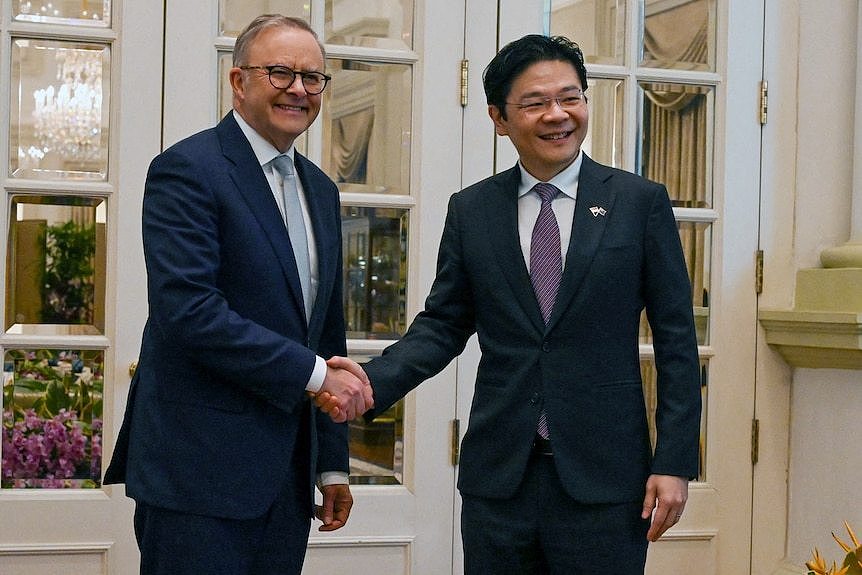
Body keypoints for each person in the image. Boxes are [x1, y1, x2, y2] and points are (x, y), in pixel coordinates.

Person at [325, 34, 702, 574]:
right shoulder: (473, 210)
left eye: (571, 98)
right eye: (535, 103)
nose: (558, 115)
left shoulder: (638, 203)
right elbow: (443, 325)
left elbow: (676, 342)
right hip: (499, 481)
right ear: (499, 118)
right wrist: (371, 384)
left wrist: (674, 462)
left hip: (607, 479)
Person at [104, 14, 373, 575]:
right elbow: (189, 311)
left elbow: (323, 332)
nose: (298, 89)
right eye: (280, 72)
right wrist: (321, 378)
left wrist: (332, 465)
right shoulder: (188, 169)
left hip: (287, 483)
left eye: (312, 77)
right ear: (238, 81)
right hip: (196, 475)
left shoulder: (321, 189)